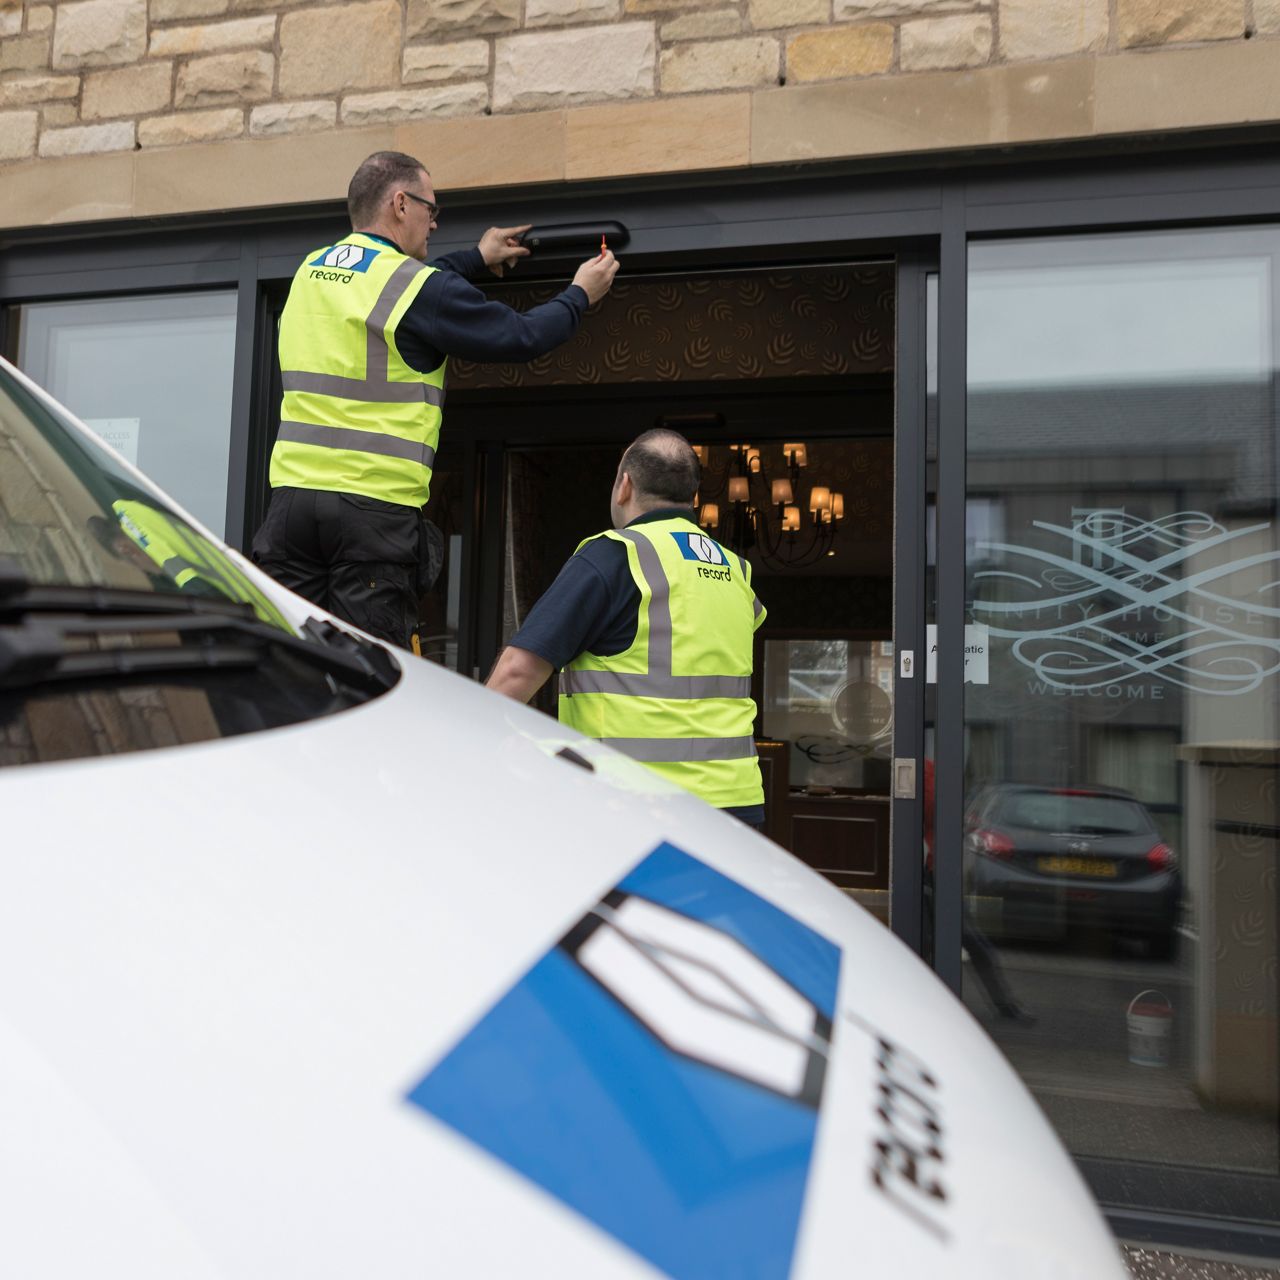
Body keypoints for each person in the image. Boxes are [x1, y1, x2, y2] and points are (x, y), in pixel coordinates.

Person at [252, 149, 620, 648]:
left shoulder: (309, 273)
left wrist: (476, 258)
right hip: (370, 512)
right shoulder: (415, 288)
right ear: (401, 203)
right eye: (431, 209)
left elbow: (409, 287)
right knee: (375, 674)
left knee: (293, 663)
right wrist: (580, 294)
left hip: (291, 511)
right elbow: (522, 336)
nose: (434, 223)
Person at [486, 429, 768, 828]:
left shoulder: (617, 554)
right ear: (693, 497)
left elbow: (517, 672)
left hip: (635, 804)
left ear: (625, 486)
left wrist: (465, 748)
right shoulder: (736, 571)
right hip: (737, 806)